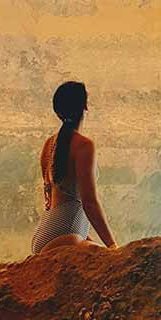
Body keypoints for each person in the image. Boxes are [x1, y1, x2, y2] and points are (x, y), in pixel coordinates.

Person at [32, 81, 118, 255]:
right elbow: (89, 202)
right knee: (109, 257)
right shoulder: (84, 145)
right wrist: (113, 246)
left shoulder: (49, 144)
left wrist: (85, 237)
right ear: (85, 107)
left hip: (43, 234)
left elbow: (51, 199)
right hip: (65, 235)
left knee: (96, 250)